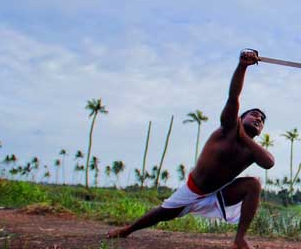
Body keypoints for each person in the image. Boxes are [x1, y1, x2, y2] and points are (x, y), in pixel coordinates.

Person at [107, 50, 273, 249]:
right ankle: (127, 230)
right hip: (194, 189)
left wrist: (245, 138)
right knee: (161, 214)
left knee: (253, 183)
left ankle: (239, 239)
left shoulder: (252, 149)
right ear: (240, 117)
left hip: (219, 192)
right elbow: (233, 96)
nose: (258, 119)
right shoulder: (228, 127)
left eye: (262, 121)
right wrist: (243, 66)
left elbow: (269, 162)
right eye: (254, 115)